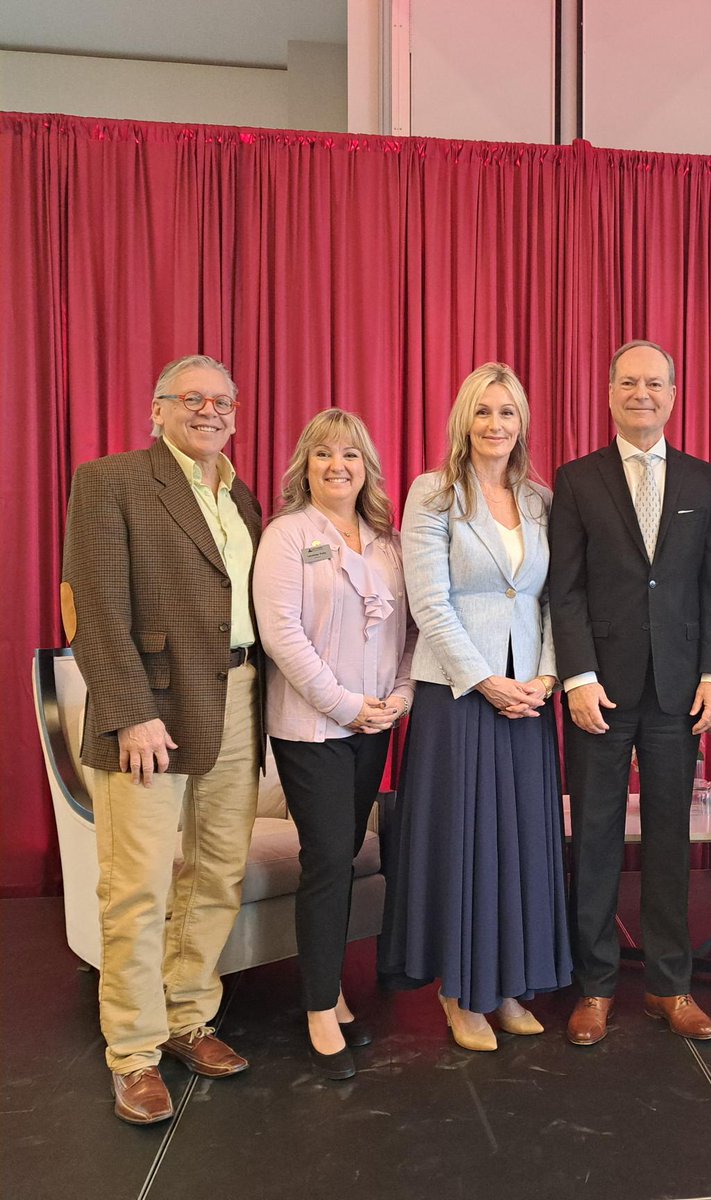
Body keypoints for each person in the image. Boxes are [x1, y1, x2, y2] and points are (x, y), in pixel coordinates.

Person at [61, 354, 261, 1124]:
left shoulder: (240, 494)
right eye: (191, 399)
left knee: (218, 872)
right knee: (137, 886)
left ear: (235, 415)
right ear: (157, 409)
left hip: (238, 698)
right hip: (151, 713)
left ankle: (187, 1016)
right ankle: (134, 1052)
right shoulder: (110, 481)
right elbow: (96, 608)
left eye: (221, 401)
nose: (208, 411)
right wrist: (129, 711)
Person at [377, 363, 572, 1051]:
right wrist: (487, 680)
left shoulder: (542, 499)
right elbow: (429, 602)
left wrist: (545, 679)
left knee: (518, 841)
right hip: (459, 693)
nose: (496, 424)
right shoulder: (433, 494)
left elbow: (553, 599)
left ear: (523, 423)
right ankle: (461, 993)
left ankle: (511, 984)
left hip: (528, 697)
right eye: (484, 411)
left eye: (508, 412)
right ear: (464, 419)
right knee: (465, 841)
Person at [548, 340, 711, 1046]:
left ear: (674, 393)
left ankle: (669, 986)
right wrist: (579, 677)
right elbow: (564, 590)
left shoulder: (704, 480)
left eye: (655, 383)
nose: (642, 394)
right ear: (608, 392)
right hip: (601, 691)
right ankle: (594, 988)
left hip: (678, 692)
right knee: (594, 838)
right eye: (629, 382)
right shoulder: (577, 479)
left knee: (668, 841)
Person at [253, 409, 414, 1080]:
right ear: (306, 466)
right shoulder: (287, 535)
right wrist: (345, 705)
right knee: (325, 858)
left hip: (373, 725)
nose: (338, 465)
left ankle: (332, 988)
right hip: (313, 728)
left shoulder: (389, 542)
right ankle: (319, 1006)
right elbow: (281, 635)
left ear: (366, 467)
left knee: (344, 855)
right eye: (324, 454)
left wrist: (400, 696)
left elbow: (412, 631)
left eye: (350, 454)